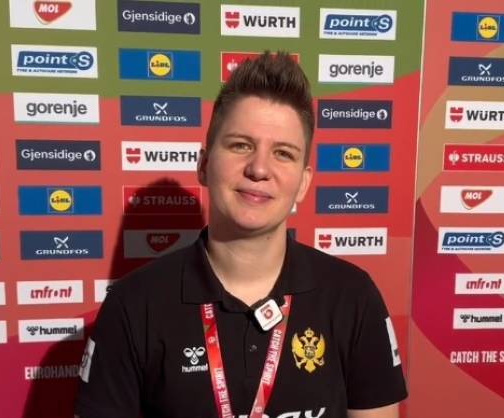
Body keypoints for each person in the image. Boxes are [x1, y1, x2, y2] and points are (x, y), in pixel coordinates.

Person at [74, 51, 407, 418]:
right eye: (241, 145)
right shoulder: (133, 306)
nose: (259, 168)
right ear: (204, 164)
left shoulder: (353, 297)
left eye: (283, 153)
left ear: (303, 183)